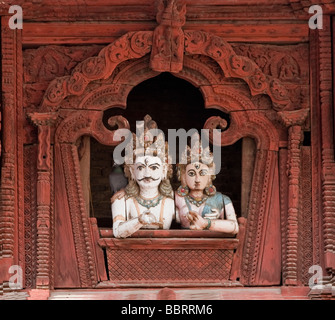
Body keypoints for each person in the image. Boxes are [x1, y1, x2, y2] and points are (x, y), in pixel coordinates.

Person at [111, 115, 175, 238]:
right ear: (132, 171)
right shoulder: (122, 200)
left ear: (164, 171)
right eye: (140, 168)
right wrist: (139, 220)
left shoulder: (173, 200)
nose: (147, 174)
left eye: (154, 168)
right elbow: (117, 231)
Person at [175, 140, 239, 235]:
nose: (197, 179)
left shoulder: (221, 199)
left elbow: (234, 227)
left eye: (202, 174)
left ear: (209, 176)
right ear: (184, 176)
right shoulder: (177, 198)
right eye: (191, 174)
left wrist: (207, 224)